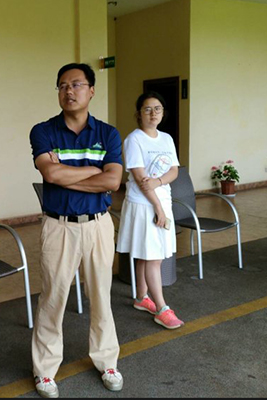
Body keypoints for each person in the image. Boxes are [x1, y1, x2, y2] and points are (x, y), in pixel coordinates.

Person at [29, 63, 124, 398]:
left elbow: (114, 180)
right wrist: (94, 172)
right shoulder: (43, 131)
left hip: (98, 226)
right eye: (62, 85)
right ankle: (44, 370)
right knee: (53, 298)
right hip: (59, 226)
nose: (69, 91)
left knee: (101, 296)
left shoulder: (108, 134)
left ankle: (107, 361)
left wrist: (66, 171)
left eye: (77, 84)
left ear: (91, 90)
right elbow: (51, 175)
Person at [116, 91, 184, 330]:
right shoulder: (134, 139)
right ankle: (162, 308)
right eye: (147, 109)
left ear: (163, 113)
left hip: (162, 199)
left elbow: (174, 170)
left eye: (158, 109)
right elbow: (139, 177)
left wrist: (158, 182)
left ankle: (141, 298)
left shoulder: (166, 138)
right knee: (153, 257)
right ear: (139, 114)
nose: (153, 113)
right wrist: (157, 207)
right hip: (144, 204)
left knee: (148, 254)